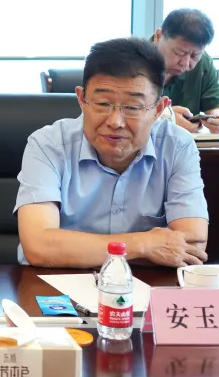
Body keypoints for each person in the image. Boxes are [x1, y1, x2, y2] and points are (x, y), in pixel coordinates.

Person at [15, 37, 208, 268]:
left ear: (158, 110)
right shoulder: (48, 145)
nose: (115, 121)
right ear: (82, 99)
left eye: (132, 107)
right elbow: (39, 246)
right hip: (54, 285)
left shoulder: (177, 146)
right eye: (103, 104)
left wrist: (80, 249)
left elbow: (192, 246)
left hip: (145, 285)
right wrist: (144, 244)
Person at [151, 8, 219, 134]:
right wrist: (166, 117)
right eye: (179, 53)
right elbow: (123, 112)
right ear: (158, 36)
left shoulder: (203, 63)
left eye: (194, 56)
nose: (185, 63)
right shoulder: (130, 60)